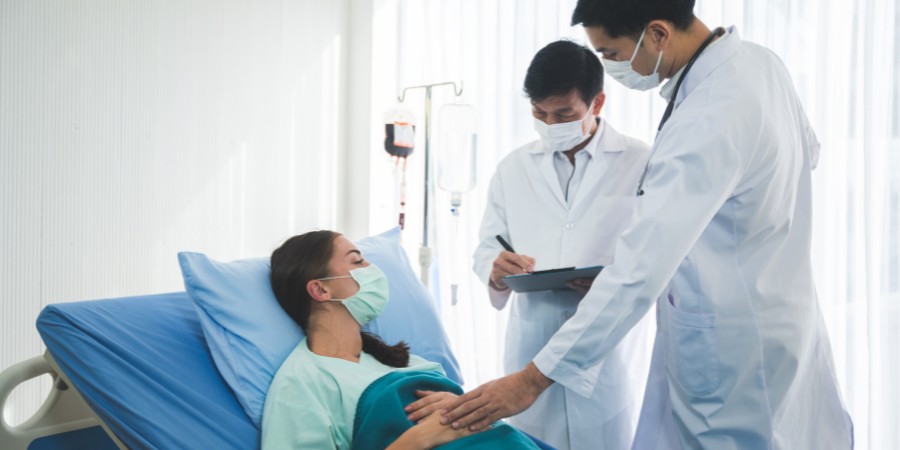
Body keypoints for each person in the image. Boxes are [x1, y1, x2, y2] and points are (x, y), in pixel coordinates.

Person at [435, 1, 854, 449]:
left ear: (657, 34)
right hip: (776, 314)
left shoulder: (706, 116)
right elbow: (805, 154)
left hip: (732, 344)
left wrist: (531, 380)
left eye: (612, 54)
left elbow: (640, 267)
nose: (611, 66)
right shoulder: (760, 66)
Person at [469, 39, 654, 450]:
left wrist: (613, 276)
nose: (551, 124)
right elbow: (487, 245)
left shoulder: (641, 161)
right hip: (532, 343)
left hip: (607, 353)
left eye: (564, 114)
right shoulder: (512, 168)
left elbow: (657, 251)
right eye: (540, 113)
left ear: (597, 103)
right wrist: (495, 268)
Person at [262, 230, 540, 450]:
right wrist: (421, 438)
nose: (372, 268)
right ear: (320, 289)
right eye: (357, 260)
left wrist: (461, 405)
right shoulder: (302, 382)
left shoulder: (407, 362)